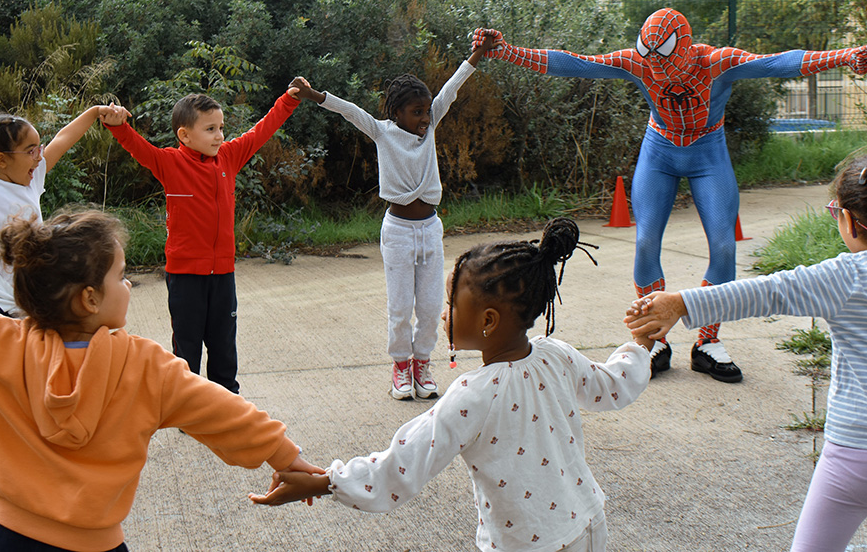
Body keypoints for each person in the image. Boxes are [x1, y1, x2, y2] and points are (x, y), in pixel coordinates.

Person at [474, 10, 867, 383]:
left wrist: (844, 56)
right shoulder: (638, 62)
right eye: (650, 61)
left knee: (724, 246)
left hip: (708, 152)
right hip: (660, 150)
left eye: (666, 61)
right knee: (646, 240)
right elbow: (575, 63)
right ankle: (656, 338)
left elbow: (779, 62)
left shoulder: (717, 62)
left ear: (685, 49)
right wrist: (506, 51)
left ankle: (707, 342)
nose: (658, 70)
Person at [0, 210, 320, 551]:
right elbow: (223, 412)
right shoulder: (146, 367)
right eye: (122, 275)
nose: (128, 285)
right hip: (95, 542)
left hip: (11, 535)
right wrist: (285, 456)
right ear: (90, 298)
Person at [251, 217, 652, 552]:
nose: (444, 315)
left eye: (451, 305)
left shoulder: (474, 395)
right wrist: (640, 346)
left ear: (488, 321)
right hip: (588, 523)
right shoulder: (556, 354)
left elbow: (403, 464)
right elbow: (613, 385)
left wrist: (327, 482)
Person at [625, 151, 867, 551]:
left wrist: (681, 303)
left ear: (848, 221)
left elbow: (768, 292)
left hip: (855, 462)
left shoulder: (844, 277)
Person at [287, 32, 497, 400]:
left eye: (427, 110)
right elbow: (350, 110)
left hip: (429, 229)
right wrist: (313, 95)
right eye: (416, 112)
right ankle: (400, 366)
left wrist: (478, 53)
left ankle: (422, 363)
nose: (424, 117)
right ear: (396, 113)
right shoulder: (382, 133)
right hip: (398, 232)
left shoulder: (430, 126)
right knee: (400, 308)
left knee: (430, 307)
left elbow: (451, 89)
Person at [0, 104, 130, 478]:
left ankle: (49, 440)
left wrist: (94, 112)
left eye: (38, 147)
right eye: (31, 150)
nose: (39, 155)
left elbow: (63, 139)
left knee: (42, 365)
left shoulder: (31, 178)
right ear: (1, 159)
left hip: (34, 288)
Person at [102, 86, 301, 394]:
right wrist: (118, 126)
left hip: (223, 275)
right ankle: (187, 403)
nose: (219, 136)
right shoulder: (169, 163)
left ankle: (227, 402)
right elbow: (137, 146)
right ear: (184, 135)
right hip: (185, 277)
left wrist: (288, 100)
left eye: (221, 128)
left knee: (224, 347)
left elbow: (261, 132)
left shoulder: (229, 157)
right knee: (187, 349)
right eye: (210, 129)